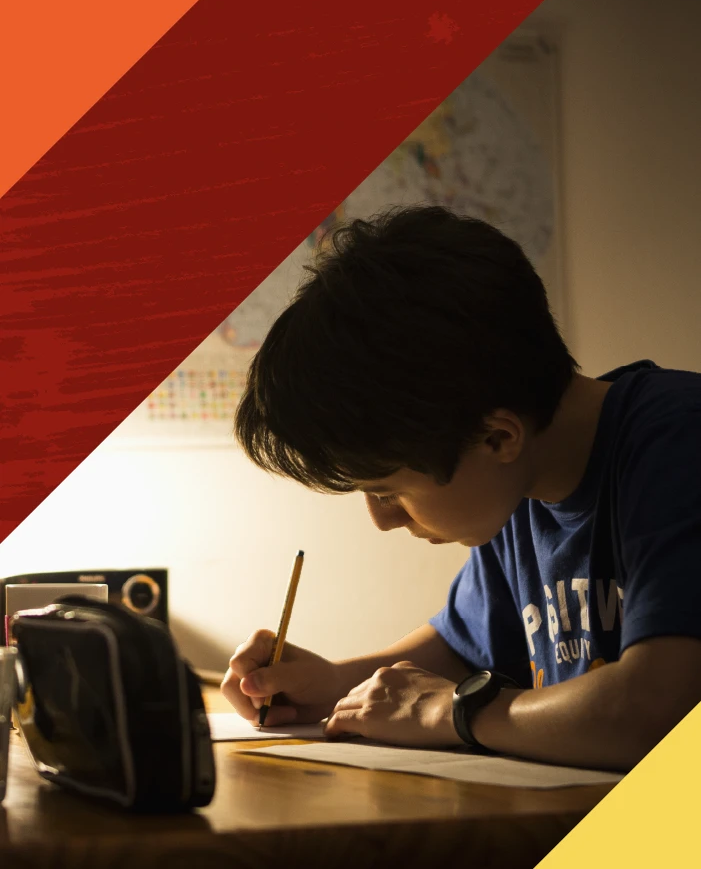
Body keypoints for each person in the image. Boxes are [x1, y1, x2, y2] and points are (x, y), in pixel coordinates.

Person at [221, 205, 701, 772]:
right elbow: (458, 647)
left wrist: (451, 715)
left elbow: (654, 712)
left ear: (497, 437)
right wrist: (330, 683)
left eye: (386, 490)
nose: (382, 520)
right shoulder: (519, 486)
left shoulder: (679, 443)